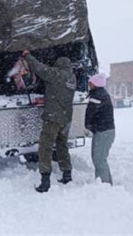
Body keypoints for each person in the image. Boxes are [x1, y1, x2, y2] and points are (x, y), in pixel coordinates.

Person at [21, 50, 77, 193]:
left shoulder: (57, 75)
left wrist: (27, 55)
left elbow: (39, 68)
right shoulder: (72, 78)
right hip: (66, 118)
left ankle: (45, 181)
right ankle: (67, 174)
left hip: (53, 118)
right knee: (62, 145)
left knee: (45, 147)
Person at [85, 73, 115, 185]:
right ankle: (104, 183)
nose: (88, 85)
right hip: (102, 131)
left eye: (90, 83)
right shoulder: (99, 94)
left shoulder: (99, 95)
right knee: (98, 158)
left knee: (99, 159)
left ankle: (105, 185)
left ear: (95, 84)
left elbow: (91, 112)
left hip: (104, 132)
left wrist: (88, 126)